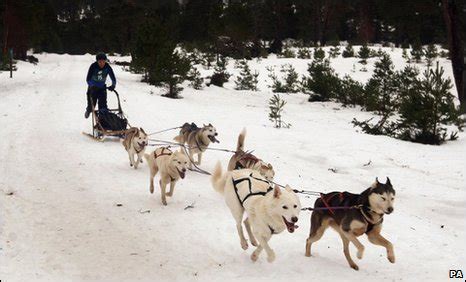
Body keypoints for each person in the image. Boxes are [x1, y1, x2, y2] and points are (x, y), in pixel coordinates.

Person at [84, 53, 116, 118]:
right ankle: (88, 110)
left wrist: (113, 85)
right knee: (92, 105)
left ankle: (102, 121)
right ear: (97, 61)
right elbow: (88, 79)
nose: (102, 63)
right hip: (92, 88)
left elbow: (113, 78)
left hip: (102, 88)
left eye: (103, 61)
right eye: (100, 62)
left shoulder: (107, 67)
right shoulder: (93, 66)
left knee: (103, 107)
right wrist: (92, 85)